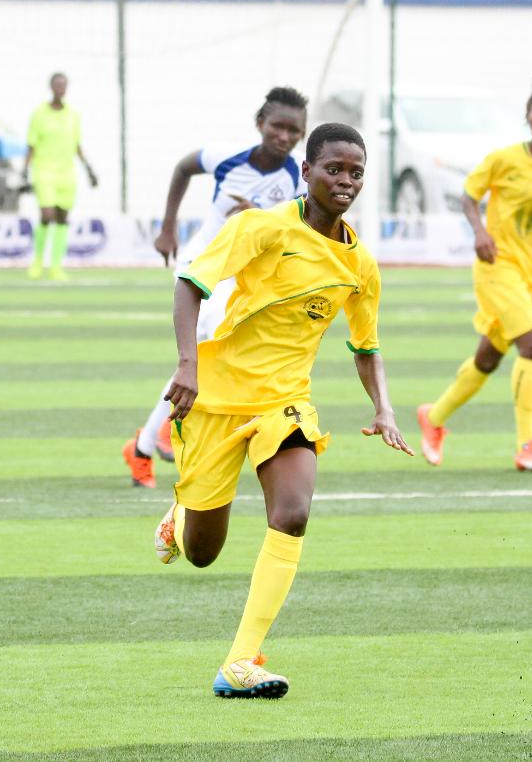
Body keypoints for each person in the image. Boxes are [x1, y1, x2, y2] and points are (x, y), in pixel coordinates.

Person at [154, 122, 413, 699]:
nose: (346, 181)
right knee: (201, 553)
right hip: (217, 399)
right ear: (308, 172)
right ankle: (181, 508)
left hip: (286, 402)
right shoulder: (261, 228)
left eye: (356, 173)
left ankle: (240, 661)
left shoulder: (360, 266)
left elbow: (366, 348)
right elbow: (190, 284)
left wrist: (385, 409)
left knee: (293, 513)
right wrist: (187, 365)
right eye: (334, 170)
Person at [122, 86, 309, 488]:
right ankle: (148, 441)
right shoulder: (227, 157)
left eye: (295, 130)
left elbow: (294, 230)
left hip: (238, 279)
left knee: (206, 359)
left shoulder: (297, 175)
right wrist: (167, 228)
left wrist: (260, 218)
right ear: (261, 123)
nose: (285, 136)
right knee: (202, 353)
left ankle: (150, 439)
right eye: (278, 126)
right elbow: (182, 168)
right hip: (200, 265)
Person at [416, 74, 532, 471]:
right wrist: (479, 231)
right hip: (496, 268)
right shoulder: (504, 158)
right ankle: (528, 445)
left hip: (529, 276)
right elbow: (469, 195)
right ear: (528, 116)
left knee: (489, 358)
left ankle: (434, 417)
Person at [24, 72, 97, 281]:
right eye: (56, 84)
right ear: (50, 87)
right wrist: (24, 171)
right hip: (44, 170)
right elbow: (31, 145)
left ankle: (56, 266)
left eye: (63, 85)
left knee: (62, 218)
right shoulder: (38, 113)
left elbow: (77, 145)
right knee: (46, 215)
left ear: (67, 88)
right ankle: (38, 262)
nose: (60, 88)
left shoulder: (74, 115)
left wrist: (88, 169)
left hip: (67, 173)